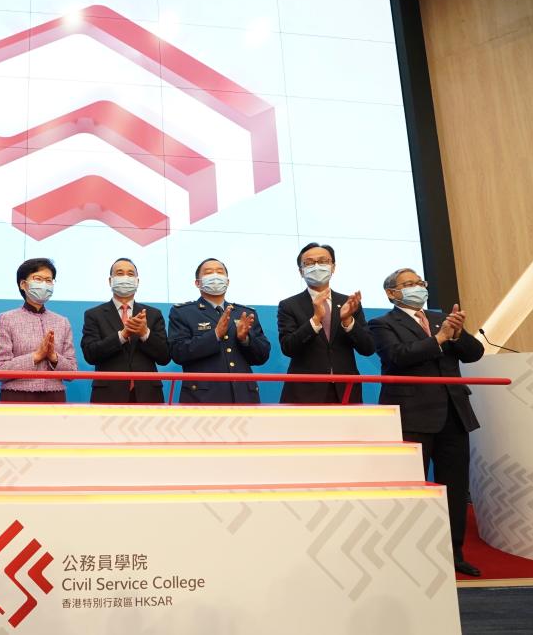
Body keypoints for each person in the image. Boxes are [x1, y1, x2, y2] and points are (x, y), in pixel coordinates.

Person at [368, 268, 484, 577]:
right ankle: (410, 556)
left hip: (454, 414)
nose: (417, 287)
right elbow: (397, 356)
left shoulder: (440, 318)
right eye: (408, 284)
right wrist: (440, 338)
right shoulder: (382, 323)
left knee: (455, 488)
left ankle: (454, 553)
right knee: (412, 489)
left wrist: (456, 334)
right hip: (413, 415)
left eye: (419, 282)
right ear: (392, 293)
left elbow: (474, 354)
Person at [277, 243, 374, 403]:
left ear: (333, 267)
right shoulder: (289, 305)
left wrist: (348, 321)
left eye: (323, 261)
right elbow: (288, 347)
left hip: (346, 391)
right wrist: (315, 320)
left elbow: (368, 348)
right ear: (301, 271)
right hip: (304, 392)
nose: (317, 266)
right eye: (309, 263)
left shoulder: (349, 303)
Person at [168, 258, 270, 403]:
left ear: (227, 281)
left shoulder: (245, 313)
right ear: (197, 283)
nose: (215, 276)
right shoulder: (183, 312)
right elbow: (178, 352)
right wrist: (215, 335)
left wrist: (245, 340)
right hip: (202, 398)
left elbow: (262, 356)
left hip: (244, 397)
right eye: (208, 272)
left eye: (220, 272)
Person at [80, 258, 169, 403]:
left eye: (130, 274)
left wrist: (144, 334)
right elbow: (90, 354)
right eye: (120, 273)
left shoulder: (153, 314)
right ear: (110, 281)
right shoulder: (94, 315)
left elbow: (164, 357)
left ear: (137, 282)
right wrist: (121, 336)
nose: (125, 278)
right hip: (108, 394)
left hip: (148, 395)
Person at [0, 258, 77, 402]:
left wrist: (54, 357)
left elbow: (72, 372)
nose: (44, 284)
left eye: (49, 280)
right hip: (16, 397)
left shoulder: (62, 322)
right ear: (23, 284)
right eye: (38, 279)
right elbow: (0, 370)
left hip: (54, 398)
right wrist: (36, 356)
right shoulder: (7, 319)